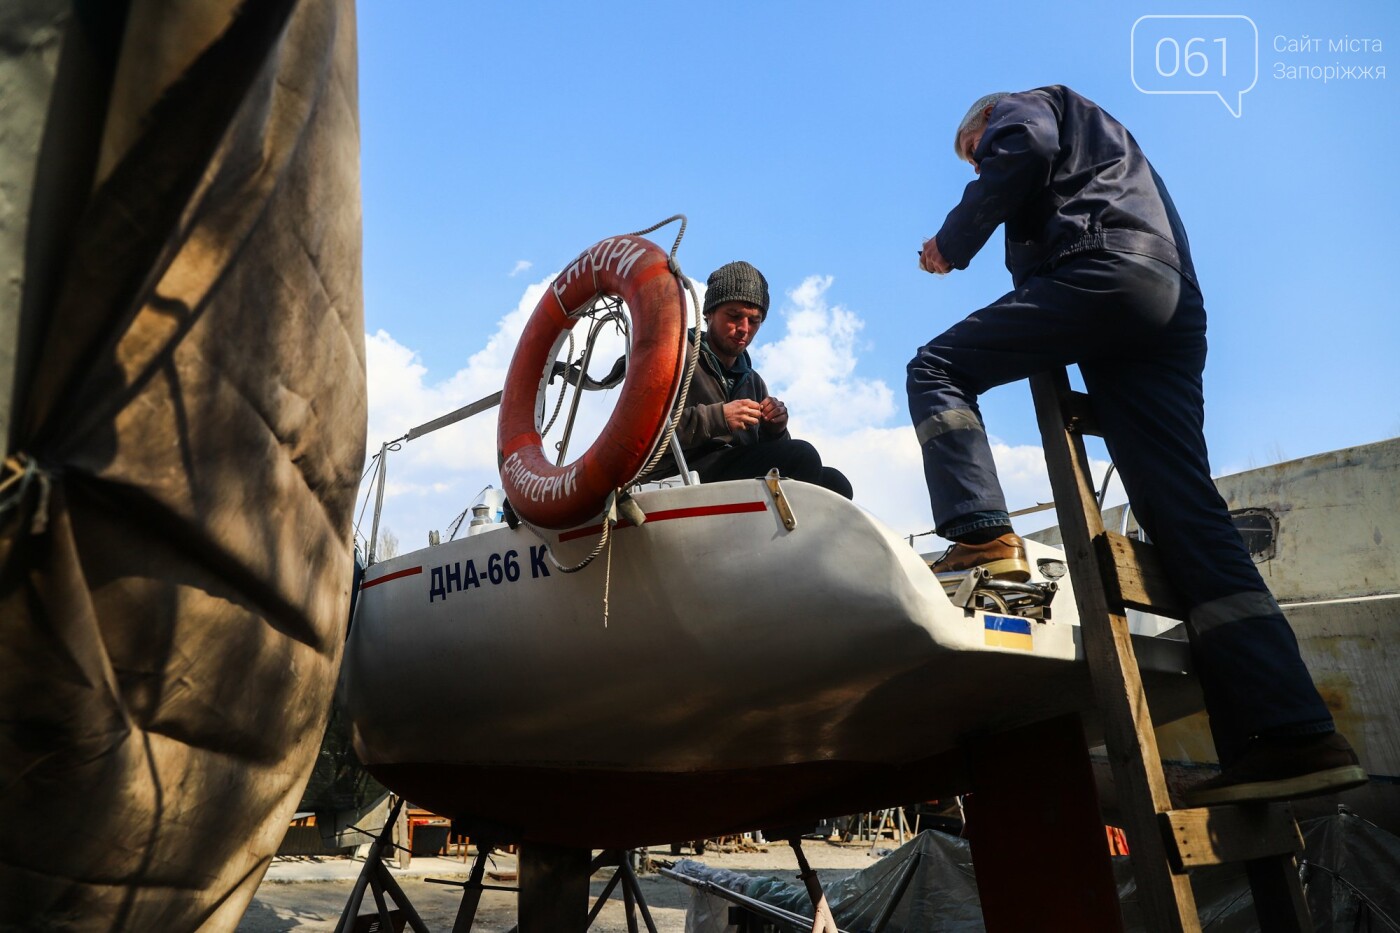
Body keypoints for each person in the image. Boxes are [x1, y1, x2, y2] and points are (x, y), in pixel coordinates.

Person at [908, 86, 1365, 806]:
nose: (980, 167)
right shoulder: (1113, 151)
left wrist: (952, 242)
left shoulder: (1026, 108)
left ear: (982, 123)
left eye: (974, 155)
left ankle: (981, 534)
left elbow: (1020, 148)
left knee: (936, 367)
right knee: (1184, 513)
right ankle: (1293, 734)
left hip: (1102, 272)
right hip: (1168, 302)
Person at [663, 260, 852, 499]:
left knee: (836, 484)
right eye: (734, 316)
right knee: (803, 455)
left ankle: (789, 535)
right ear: (708, 313)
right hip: (682, 472)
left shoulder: (753, 380)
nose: (744, 328)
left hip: (730, 471)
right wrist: (720, 417)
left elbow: (771, 454)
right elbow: (647, 431)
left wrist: (776, 431)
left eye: (754, 321)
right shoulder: (676, 354)